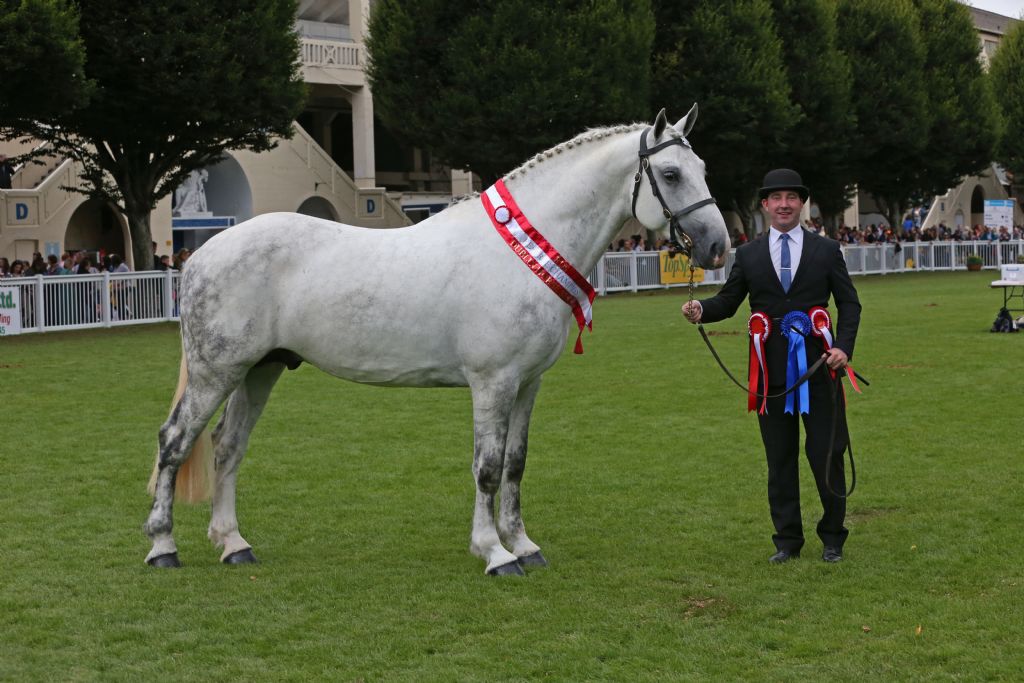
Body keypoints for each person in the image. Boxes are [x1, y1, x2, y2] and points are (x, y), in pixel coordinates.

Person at [681, 168, 862, 564]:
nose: (784, 204)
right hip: (770, 376)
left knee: (826, 454)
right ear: (765, 205)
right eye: (776, 198)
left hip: (819, 370)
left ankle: (833, 537)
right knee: (779, 460)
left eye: (792, 198)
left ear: (801, 203)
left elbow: (849, 304)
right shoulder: (748, 254)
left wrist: (843, 348)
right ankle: (787, 541)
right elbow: (728, 301)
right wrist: (701, 309)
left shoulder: (827, 251)